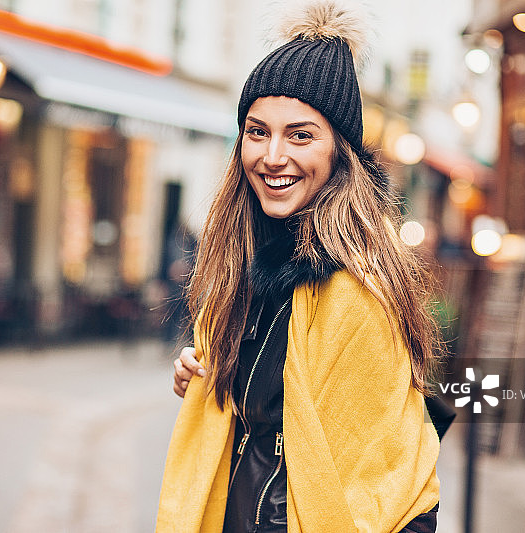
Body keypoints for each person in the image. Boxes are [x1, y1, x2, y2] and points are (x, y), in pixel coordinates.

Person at [157, 1, 443, 531]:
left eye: (301, 135)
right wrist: (207, 368)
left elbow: (378, 484)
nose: (272, 155)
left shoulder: (354, 289)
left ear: (340, 151)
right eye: (258, 130)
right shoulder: (248, 262)